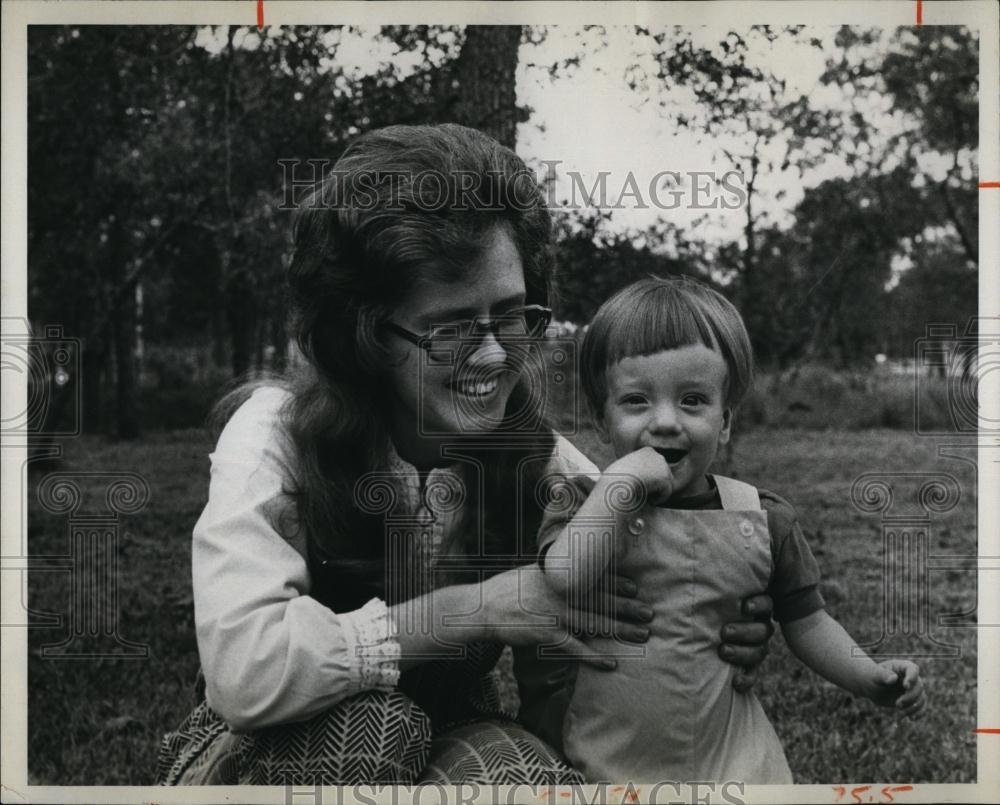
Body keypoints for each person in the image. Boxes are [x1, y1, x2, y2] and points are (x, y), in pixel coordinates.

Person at [156, 124, 774, 786]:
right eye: (449, 329)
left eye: (511, 316)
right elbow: (243, 676)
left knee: (521, 774)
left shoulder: (543, 464)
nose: (493, 354)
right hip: (269, 747)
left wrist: (725, 609)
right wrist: (477, 608)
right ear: (363, 332)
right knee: (377, 729)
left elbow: (659, 552)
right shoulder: (273, 435)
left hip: (451, 732)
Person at [538, 276, 927, 784]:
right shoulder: (582, 502)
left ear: (725, 423)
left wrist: (866, 675)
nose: (666, 422)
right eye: (636, 401)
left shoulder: (765, 518)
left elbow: (808, 624)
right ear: (601, 417)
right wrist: (619, 486)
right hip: (609, 762)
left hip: (736, 763)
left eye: (693, 401)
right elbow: (565, 574)